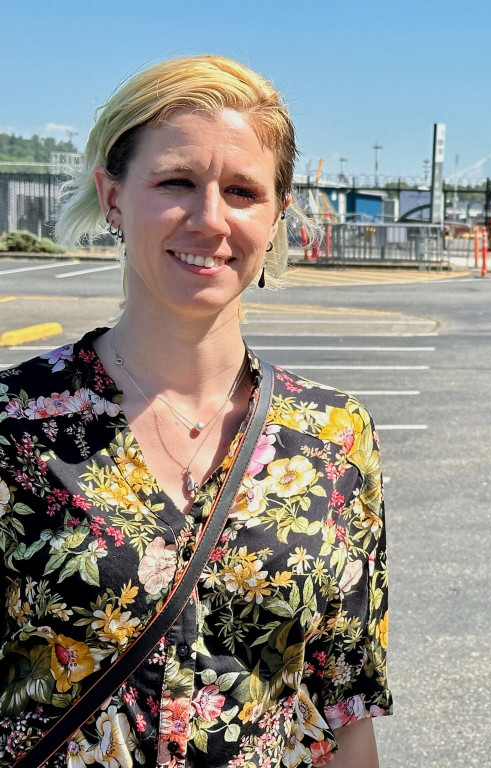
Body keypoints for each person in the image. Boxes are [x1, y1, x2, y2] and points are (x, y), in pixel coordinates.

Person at [0, 55, 390, 767]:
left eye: (242, 191)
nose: (210, 219)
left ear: (276, 215)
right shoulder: (16, 424)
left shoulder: (335, 439)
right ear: (112, 197)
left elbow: (341, 707)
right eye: (176, 181)